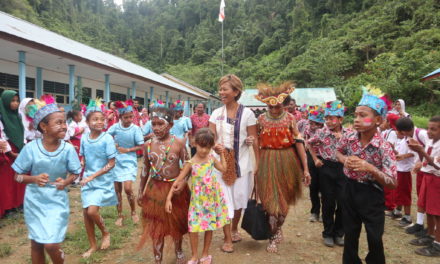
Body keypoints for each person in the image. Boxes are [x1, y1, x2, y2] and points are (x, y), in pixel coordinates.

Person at [11, 98, 82, 264]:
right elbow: (17, 176)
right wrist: (33, 179)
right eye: (58, 123)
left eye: (64, 122)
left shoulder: (68, 149)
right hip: (34, 201)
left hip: (57, 200)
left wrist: (65, 182)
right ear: (43, 127)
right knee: (36, 242)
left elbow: (75, 173)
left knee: (50, 244)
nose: (64, 126)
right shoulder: (30, 149)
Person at [336, 87, 397, 264]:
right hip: (349, 190)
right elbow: (338, 153)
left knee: (375, 237)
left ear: (378, 120)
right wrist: (344, 160)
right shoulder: (349, 138)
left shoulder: (384, 147)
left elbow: (392, 183)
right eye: (355, 115)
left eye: (363, 115)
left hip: (371, 194)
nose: (357, 120)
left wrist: (370, 168)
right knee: (350, 234)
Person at [254, 82, 310, 253]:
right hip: (267, 159)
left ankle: (278, 228)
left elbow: (299, 143)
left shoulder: (290, 119)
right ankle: (272, 236)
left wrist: (305, 168)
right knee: (269, 200)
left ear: (283, 104)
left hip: (287, 159)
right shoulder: (261, 119)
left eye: (277, 106)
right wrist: (256, 163)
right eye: (271, 107)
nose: (274, 110)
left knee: (284, 199)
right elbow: (255, 141)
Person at [208, 74, 259, 253]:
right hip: (221, 164)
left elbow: (254, 139)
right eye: (220, 89)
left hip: (242, 164)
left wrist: (257, 164)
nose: (221, 92)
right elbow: (211, 137)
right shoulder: (216, 113)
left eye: (225, 89)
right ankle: (227, 237)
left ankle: (234, 227)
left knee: (238, 200)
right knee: (224, 201)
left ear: (236, 91)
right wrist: (215, 145)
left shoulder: (248, 114)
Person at [166, 128, 229, 264]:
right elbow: (178, 180)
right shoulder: (191, 163)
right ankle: (194, 256)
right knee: (193, 228)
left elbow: (224, 169)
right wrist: (168, 199)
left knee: (209, 226)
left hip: (212, 199)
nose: (204, 150)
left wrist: (222, 154)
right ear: (195, 144)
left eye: (208, 147)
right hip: (197, 202)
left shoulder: (211, 158)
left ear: (211, 146)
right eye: (201, 146)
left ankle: (205, 254)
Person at [137, 103, 190, 264]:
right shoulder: (148, 145)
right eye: (153, 124)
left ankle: (178, 249)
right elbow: (145, 170)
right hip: (154, 190)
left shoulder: (179, 143)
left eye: (161, 124)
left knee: (177, 222)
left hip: (175, 190)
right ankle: (157, 259)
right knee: (156, 226)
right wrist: (141, 191)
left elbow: (188, 167)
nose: (156, 128)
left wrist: (183, 183)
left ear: (171, 125)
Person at [308, 100, 349, 247]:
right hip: (326, 169)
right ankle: (328, 233)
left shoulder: (349, 134)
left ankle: (339, 233)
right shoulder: (321, 132)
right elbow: (309, 143)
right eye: (327, 118)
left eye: (332, 118)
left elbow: (355, 149)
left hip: (343, 170)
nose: (329, 121)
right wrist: (315, 159)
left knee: (343, 203)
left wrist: (343, 140)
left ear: (340, 119)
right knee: (328, 202)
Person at [79, 99, 118, 258]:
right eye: (95, 119)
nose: (100, 122)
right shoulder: (84, 138)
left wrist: (92, 177)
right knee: (86, 213)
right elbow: (83, 156)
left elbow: (112, 163)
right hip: (87, 180)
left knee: (93, 211)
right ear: (87, 122)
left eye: (102, 119)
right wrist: (82, 162)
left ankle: (105, 232)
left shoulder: (107, 138)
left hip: (102, 181)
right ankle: (93, 246)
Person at [107, 101, 144, 226]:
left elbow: (141, 146)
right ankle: (120, 215)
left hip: (129, 160)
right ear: (120, 117)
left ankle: (133, 212)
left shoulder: (135, 129)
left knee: (128, 188)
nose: (129, 119)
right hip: (116, 160)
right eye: (126, 117)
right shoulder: (115, 127)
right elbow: (106, 138)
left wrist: (127, 150)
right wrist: (113, 144)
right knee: (117, 190)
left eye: (131, 117)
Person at [408, 116, 440, 256]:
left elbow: (436, 163)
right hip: (428, 177)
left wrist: (420, 151)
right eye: (429, 128)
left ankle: (438, 245)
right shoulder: (431, 141)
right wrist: (421, 162)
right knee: (429, 210)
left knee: (438, 213)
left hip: (436, 180)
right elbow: (428, 159)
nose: (429, 131)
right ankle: (431, 235)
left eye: (433, 129)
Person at [396, 117, 429, 236]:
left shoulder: (422, 134)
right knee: (421, 195)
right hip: (421, 169)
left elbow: (433, 149)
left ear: (403, 131)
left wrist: (423, 162)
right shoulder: (408, 137)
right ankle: (420, 224)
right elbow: (415, 152)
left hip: (429, 169)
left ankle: (431, 228)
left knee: (429, 198)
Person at [0, 90, 25, 213]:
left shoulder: (17, 115)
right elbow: (2, 137)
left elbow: (22, 131)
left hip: (19, 148)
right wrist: (10, 153)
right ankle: (8, 206)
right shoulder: (1, 116)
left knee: (19, 177)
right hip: (7, 151)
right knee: (7, 180)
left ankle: (19, 202)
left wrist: (23, 145)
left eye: (17, 100)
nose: (15, 103)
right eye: (12, 101)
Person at [303, 105, 325, 222]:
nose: (313, 126)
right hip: (311, 159)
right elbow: (306, 143)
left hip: (324, 159)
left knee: (325, 188)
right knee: (313, 187)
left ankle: (325, 213)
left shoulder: (326, 130)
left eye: (316, 124)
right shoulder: (307, 130)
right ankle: (315, 212)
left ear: (321, 124)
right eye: (311, 123)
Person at [394, 129, 416, 227]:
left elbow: (413, 153)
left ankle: (407, 217)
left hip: (405, 170)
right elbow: (399, 152)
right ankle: (398, 211)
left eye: (397, 131)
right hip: (399, 169)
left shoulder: (410, 140)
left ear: (403, 131)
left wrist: (403, 156)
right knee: (399, 191)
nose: (396, 133)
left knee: (405, 192)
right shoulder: (402, 140)